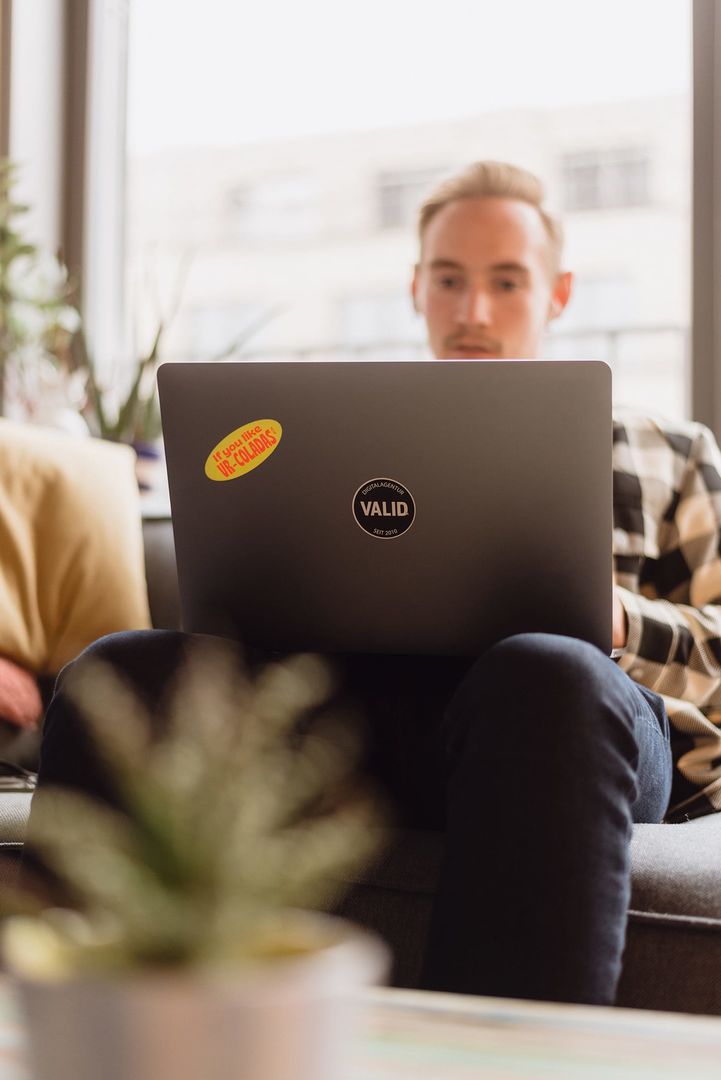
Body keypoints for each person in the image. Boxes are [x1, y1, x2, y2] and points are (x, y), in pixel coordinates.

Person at [27, 161, 721, 1007]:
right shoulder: (333, 432)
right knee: (119, 669)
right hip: (362, 724)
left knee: (546, 670)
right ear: (415, 288)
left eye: (506, 281)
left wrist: (615, 618)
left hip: (563, 732)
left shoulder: (671, 451)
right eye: (449, 279)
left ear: (558, 292)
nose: (473, 310)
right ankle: (66, 1035)